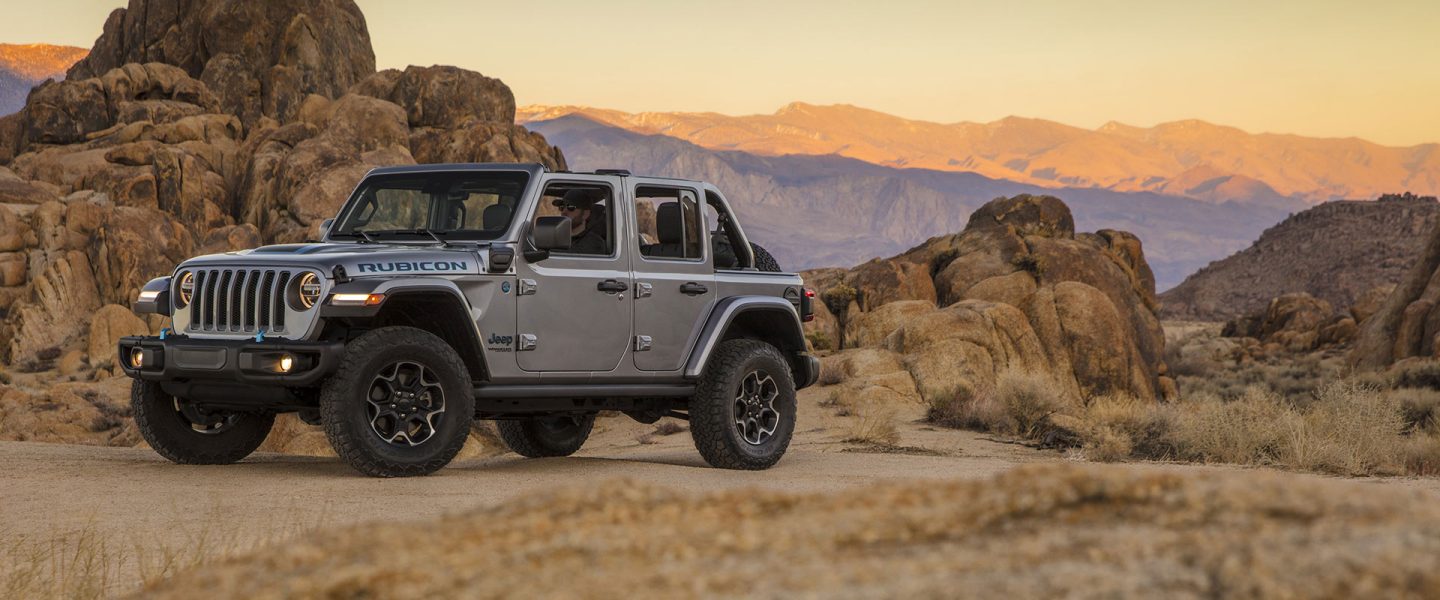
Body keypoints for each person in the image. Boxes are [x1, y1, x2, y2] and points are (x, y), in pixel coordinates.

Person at [553, 189, 608, 255]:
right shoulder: (555, 238)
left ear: (585, 214)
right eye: (562, 207)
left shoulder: (594, 243)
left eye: (570, 207)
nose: (564, 212)